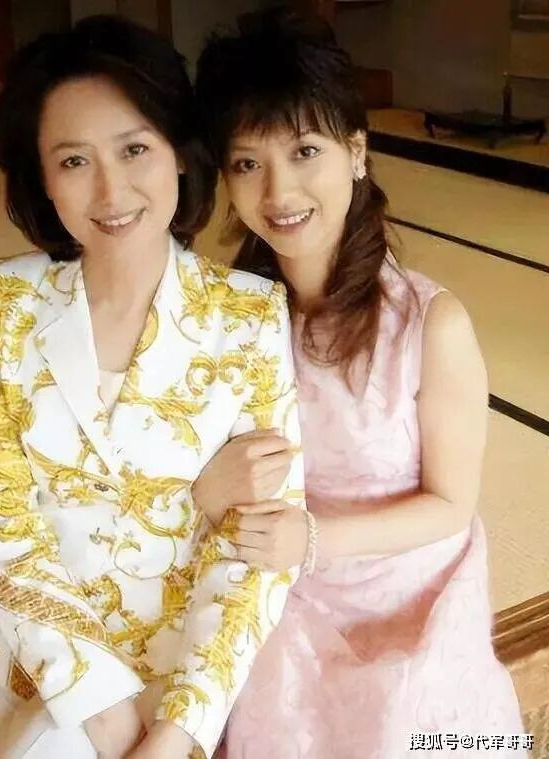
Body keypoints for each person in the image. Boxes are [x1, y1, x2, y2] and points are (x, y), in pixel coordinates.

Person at [0, 15, 305, 759]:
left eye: (135, 149)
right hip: (30, 665)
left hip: (179, 677)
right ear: (42, 178)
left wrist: (174, 734)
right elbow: (1, 522)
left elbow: (257, 552)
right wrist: (102, 711)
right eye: (74, 160)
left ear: (179, 152)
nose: (111, 190)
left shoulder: (249, 315)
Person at [191, 8, 527, 758]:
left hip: (408, 600)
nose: (279, 191)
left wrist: (312, 538)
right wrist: (213, 494)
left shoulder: (432, 325)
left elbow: (451, 505)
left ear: (357, 151)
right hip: (279, 594)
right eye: (247, 163)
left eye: (305, 150)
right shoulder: (224, 322)